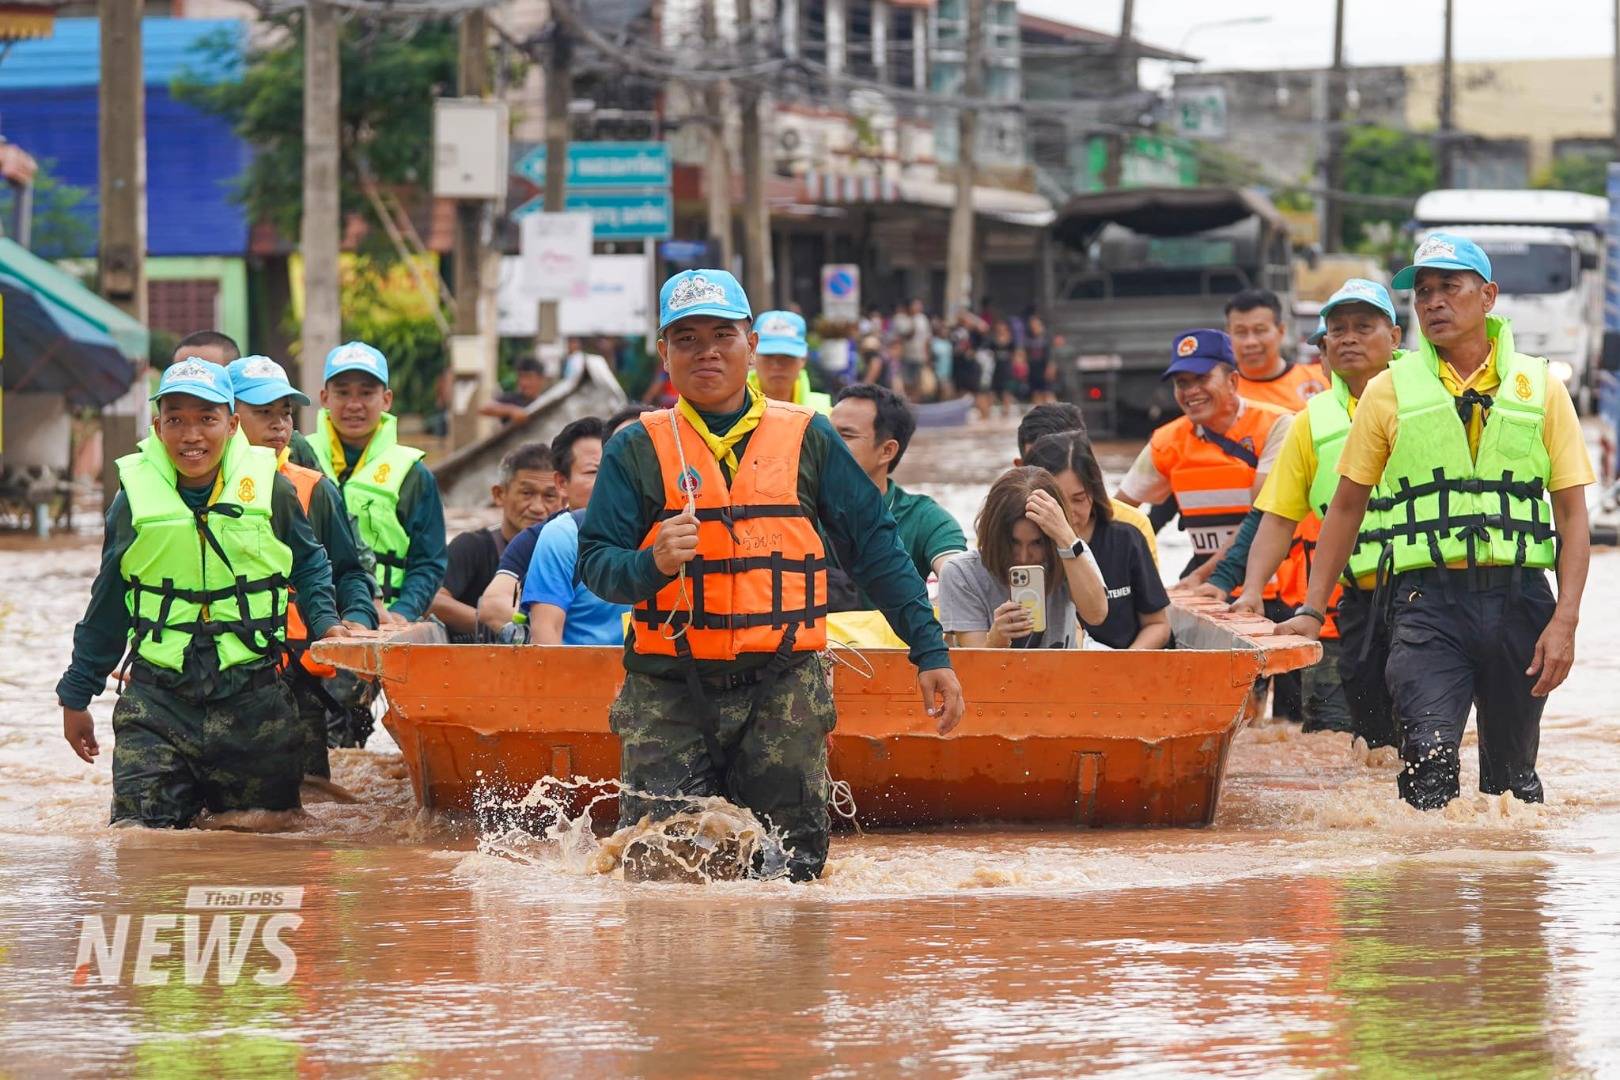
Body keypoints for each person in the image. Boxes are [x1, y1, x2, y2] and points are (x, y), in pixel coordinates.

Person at [577, 268, 964, 882]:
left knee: (792, 878)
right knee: (659, 876)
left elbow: (875, 547)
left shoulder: (808, 437)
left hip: (783, 686)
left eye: (722, 335)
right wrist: (651, 563)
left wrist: (929, 650)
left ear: (750, 344)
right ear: (665, 352)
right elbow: (597, 566)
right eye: (687, 338)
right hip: (669, 688)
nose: (706, 351)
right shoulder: (636, 448)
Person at [1275, 235, 1593, 809]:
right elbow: (1346, 508)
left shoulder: (1540, 387)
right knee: (1428, 766)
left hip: (1521, 601)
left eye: (1450, 287)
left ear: (1488, 296)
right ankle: (1422, 893)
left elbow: (1571, 513)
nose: (1434, 302)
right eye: (1423, 292)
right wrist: (1310, 611)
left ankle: (1512, 895)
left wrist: (1565, 619)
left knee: (1512, 788)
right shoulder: (1388, 391)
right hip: (1426, 603)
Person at [57, 360, 349, 827]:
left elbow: (311, 563)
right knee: (142, 845)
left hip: (254, 701)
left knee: (266, 847)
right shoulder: (132, 499)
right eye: (176, 420)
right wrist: (76, 696)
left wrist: (327, 623)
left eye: (206, 419)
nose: (191, 435)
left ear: (232, 425)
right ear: (157, 426)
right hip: (157, 703)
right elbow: (109, 602)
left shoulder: (271, 490)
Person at [1226, 280, 1406, 744]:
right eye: (1337, 330)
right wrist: (1249, 592)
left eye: (1363, 327)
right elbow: (1278, 516)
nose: (1347, 338)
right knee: (1349, 744)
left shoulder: (1427, 404)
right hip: (1346, 607)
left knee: (1423, 734)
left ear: (1396, 337)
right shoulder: (1310, 422)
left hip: (1425, 595)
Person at [226, 355, 379, 781]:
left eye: (286, 413)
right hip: (219, 677)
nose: (279, 425)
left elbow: (349, 572)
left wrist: (355, 621)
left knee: (306, 816)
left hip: (295, 674)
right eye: (264, 413)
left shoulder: (314, 489)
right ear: (229, 418)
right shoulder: (191, 492)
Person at [1116, 330, 1292, 580]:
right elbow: (1117, 511)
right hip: (1212, 586)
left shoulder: (1278, 426)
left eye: (1202, 379)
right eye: (1182, 383)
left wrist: (1201, 577)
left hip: (1278, 587)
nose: (1191, 391)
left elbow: (1262, 518)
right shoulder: (1166, 441)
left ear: (1232, 381)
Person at [308, 341, 449, 635]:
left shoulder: (413, 473)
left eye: (367, 393)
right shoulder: (298, 459)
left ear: (386, 399)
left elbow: (429, 561)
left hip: (385, 624)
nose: (354, 404)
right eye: (343, 392)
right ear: (324, 397)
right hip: (309, 622)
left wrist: (404, 612)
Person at [1024, 433, 1170, 649]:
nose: (1069, 511)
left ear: (1094, 491)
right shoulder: (1024, 547)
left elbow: (1158, 624)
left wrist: (1122, 665)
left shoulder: (1126, 539)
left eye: (1079, 499)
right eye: (1057, 502)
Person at [937, 466, 1108, 649]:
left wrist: (1066, 537)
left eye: (1037, 543)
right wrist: (996, 640)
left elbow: (1096, 615)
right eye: (1013, 543)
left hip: (1061, 675)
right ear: (994, 536)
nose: (1024, 556)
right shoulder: (962, 573)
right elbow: (975, 670)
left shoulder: (1072, 553)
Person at [475, 415, 607, 634]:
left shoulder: (645, 530)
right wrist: (543, 621)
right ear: (562, 483)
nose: (607, 480)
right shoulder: (541, 539)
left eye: (614, 469)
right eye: (593, 472)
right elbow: (493, 605)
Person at [829, 383, 966, 590]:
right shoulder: (797, 507)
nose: (828, 443)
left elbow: (960, 578)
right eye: (827, 432)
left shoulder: (924, 519)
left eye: (846, 436)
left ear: (887, 451)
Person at [431, 442, 560, 642]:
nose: (537, 507)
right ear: (499, 494)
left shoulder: (566, 554)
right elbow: (434, 600)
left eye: (549, 496)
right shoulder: (472, 546)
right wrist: (495, 624)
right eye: (527, 493)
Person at [1014, 402, 1158, 563]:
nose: (1066, 512)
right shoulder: (1004, 527)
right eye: (1039, 465)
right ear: (1019, 468)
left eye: (1078, 499)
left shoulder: (1131, 527)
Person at [173, 330, 324, 470]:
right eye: (182, 372)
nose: (196, 380)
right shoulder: (179, 458)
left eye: (286, 412)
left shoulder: (298, 458)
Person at [1226, 289, 1327, 412]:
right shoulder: (1222, 393)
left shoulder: (1321, 380)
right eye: (1240, 332)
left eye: (1260, 330)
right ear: (1228, 334)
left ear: (1281, 331)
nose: (1250, 342)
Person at [747, 310, 831, 413]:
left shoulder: (824, 412)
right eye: (768, 356)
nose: (777, 365)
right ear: (752, 354)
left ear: (803, 358)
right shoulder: (731, 408)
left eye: (787, 357)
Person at [480, 357, 546, 424]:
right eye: (521, 377)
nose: (524, 383)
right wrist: (511, 411)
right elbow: (485, 408)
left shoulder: (545, 402)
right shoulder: (511, 399)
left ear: (541, 379)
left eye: (528, 377)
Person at [1024, 313, 1059, 405]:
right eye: (1032, 325)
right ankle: (1039, 416)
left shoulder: (1047, 338)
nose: (1034, 327)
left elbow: (1052, 354)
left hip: (1045, 367)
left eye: (1036, 324)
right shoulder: (1028, 338)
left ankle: (1055, 415)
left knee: (1048, 392)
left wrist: (1051, 366)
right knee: (1036, 393)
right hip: (1034, 368)